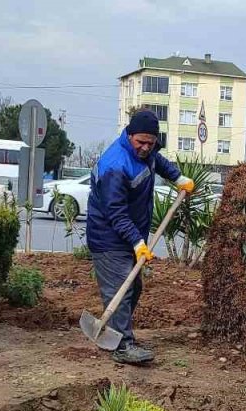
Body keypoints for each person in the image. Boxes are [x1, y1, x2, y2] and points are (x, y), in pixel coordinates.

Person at [87, 109, 194, 365]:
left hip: (128, 235)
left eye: (150, 142)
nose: (145, 147)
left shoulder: (147, 152)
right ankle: (122, 346)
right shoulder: (116, 164)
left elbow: (158, 162)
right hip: (109, 237)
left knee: (133, 287)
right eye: (140, 142)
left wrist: (179, 178)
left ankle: (112, 331)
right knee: (121, 288)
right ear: (129, 135)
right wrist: (137, 242)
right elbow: (116, 212)